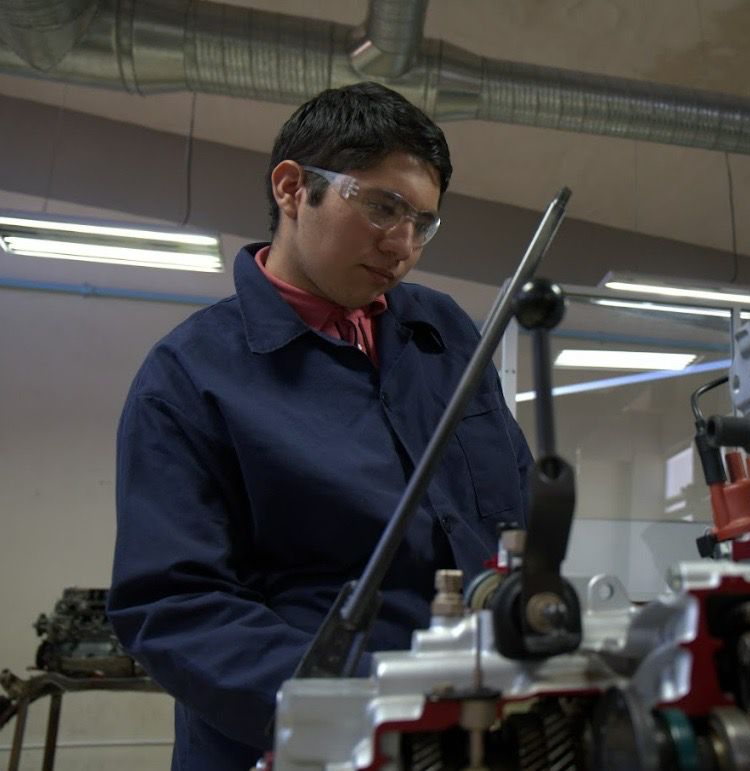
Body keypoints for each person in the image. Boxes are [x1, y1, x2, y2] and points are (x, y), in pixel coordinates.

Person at [108, 82, 533, 771]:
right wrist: (359, 700)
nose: (401, 245)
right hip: (298, 743)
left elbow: (516, 512)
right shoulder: (189, 376)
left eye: (422, 223)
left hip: (482, 729)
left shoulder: (445, 333)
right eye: (381, 207)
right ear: (290, 187)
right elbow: (175, 604)